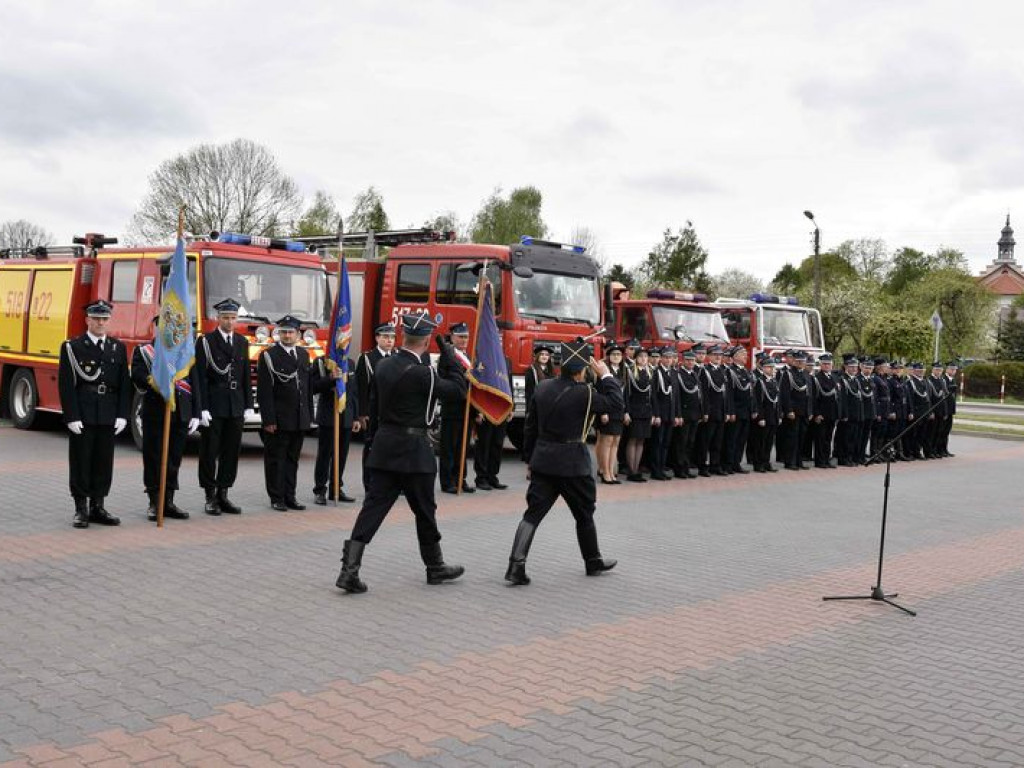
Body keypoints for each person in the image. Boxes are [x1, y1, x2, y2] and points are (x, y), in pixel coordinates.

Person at [335, 311, 468, 594]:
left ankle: (349, 570)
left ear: (404, 337)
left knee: (373, 508)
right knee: (424, 511)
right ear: (427, 340)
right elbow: (458, 390)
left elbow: (374, 404)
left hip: (384, 447)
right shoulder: (423, 373)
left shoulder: (383, 366)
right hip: (414, 452)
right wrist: (450, 357)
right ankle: (435, 566)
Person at [505, 339, 622, 586]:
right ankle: (593, 561)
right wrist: (607, 375)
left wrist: (529, 459)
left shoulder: (543, 387)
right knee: (584, 513)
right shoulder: (587, 393)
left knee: (532, 514)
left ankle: (516, 566)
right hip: (572, 464)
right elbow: (615, 403)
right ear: (582, 371)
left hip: (544, 460)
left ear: (561, 366)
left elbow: (531, 426)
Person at [58, 300, 130, 528]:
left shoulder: (117, 347)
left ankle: (98, 506)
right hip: (84, 411)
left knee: (103, 461)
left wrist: (122, 414)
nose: (100, 322)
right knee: (81, 460)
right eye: (96, 318)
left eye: (104, 319)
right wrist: (71, 416)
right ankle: (80, 509)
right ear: (87, 320)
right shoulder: (73, 346)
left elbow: (124, 384)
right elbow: (66, 384)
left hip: (108, 412)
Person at [131, 317, 202, 521]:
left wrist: (196, 412)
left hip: (180, 412)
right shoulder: (145, 351)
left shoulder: (184, 353)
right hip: (155, 412)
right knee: (154, 457)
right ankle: (154, 502)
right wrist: (160, 381)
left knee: (174, 458)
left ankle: (169, 500)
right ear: (156, 328)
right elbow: (137, 376)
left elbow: (194, 382)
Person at [257, 315, 330, 511]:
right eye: (284, 332)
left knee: (292, 459)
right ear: (278, 334)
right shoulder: (268, 355)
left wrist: (309, 415)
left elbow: (307, 387)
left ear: (298, 334)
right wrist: (269, 419)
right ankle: (276, 497)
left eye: (291, 332)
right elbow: (265, 392)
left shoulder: (303, 354)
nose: (287, 335)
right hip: (279, 418)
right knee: (276, 459)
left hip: (299, 418)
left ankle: (290, 495)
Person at [194, 298, 253, 516]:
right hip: (214, 403)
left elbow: (246, 374)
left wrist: (248, 404)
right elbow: (200, 377)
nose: (230, 322)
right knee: (210, 451)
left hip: (235, 404)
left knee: (231, 451)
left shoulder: (241, 342)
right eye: (226, 318)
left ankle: (224, 492)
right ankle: (209, 495)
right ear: (217, 318)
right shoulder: (206, 342)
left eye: (233, 318)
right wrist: (202, 408)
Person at [354, 322, 396, 491]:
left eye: (392, 337)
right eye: (385, 337)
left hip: (392, 413)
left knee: (391, 449)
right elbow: (362, 388)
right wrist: (362, 414)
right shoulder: (367, 358)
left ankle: (388, 483)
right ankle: (369, 483)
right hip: (373, 413)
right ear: (377, 338)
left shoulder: (396, 357)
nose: (389, 340)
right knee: (372, 449)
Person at [313, 355, 359, 505]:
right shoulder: (321, 362)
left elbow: (353, 392)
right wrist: (331, 378)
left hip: (346, 416)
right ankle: (320, 490)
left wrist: (356, 417)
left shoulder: (349, 362)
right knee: (325, 455)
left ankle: (336, 489)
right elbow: (313, 387)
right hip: (328, 416)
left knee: (341, 456)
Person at [438, 322, 475, 494]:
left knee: (463, 447)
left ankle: (461, 477)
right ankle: (447, 481)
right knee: (449, 447)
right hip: (452, 408)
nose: (464, 340)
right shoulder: (448, 355)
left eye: (466, 336)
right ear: (452, 337)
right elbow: (443, 380)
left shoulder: (470, 357)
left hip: (467, 409)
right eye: (460, 336)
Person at [594, 344, 626, 484]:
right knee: (606, 441)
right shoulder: (603, 371)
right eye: (613, 354)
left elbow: (627, 394)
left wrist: (626, 412)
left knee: (615, 442)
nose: (616, 357)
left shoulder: (624, 371)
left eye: (619, 354)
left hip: (619, 411)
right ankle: (605, 472)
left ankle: (612, 472)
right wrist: (603, 411)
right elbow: (600, 392)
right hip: (607, 410)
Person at [696, 345, 729, 476]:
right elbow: (703, 394)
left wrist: (726, 411)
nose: (718, 357)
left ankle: (715, 465)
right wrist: (704, 412)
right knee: (705, 441)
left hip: (720, 411)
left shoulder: (722, 370)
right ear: (709, 356)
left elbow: (725, 394)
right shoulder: (704, 371)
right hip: (709, 411)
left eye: (720, 355)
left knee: (717, 441)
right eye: (715, 355)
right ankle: (702, 466)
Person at [670, 347, 703, 479]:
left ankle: (686, 466)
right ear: (683, 361)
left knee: (690, 442)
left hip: (694, 413)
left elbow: (699, 395)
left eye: (692, 360)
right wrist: (678, 415)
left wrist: (701, 412)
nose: (690, 363)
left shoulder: (694, 374)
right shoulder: (678, 374)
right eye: (688, 360)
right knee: (681, 442)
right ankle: (679, 468)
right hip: (684, 412)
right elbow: (677, 397)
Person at [622, 347, 653, 482]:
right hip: (634, 411)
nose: (643, 359)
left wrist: (653, 413)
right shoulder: (630, 372)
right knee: (633, 440)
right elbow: (626, 395)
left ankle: (637, 468)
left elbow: (652, 396)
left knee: (641, 440)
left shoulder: (650, 372)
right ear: (635, 358)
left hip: (646, 411)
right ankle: (631, 471)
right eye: (640, 357)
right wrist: (626, 412)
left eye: (645, 357)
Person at [778, 350, 812, 470]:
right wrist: (789, 410)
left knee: (802, 437)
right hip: (794, 411)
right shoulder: (788, 374)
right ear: (793, 361)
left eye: (802, 361)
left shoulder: (806, 374)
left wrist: (810, 411)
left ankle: (798, 460)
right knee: (792, 437)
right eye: (798, 361)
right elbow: (785, 394)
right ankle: (790, 461)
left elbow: (810, 394)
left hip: (804, 411)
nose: (800, 363)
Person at [649, 346, 678, 480]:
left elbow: (676, 396)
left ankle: (662, 467)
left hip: (670, 414)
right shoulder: (656, 373)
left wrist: (677, 415)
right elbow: (653, 395)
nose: (668, 360)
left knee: (666, 443)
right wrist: (656, 414)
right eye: (666, 357)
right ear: (661, 358)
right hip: (660, 414)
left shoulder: (673, 373)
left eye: (670, 357)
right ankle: (655, 470)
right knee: (658, 443)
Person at [723, 346, 754, 474]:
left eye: (745, 354)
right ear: (734, 357)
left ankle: (737, 463)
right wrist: (731, 411)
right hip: (736, 410)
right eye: (742, 354)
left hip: (746, 411)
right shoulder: (730, 372)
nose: (745, 356)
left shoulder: (746, 372)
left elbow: (751, 393)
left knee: (741, 440)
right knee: (731, 439)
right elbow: (729, 394)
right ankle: (728, 464)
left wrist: (753, 409)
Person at [750, 354, 781, 472]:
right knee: (761, 441)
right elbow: (757, 401)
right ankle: (758, 463)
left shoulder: (774, 382)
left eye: (773, 367)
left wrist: (778, 415)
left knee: (769, 442)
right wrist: (760, 417)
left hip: (773, 416)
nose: (771, 369)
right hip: (764, 416)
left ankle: (766, 462)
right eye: (768, 367)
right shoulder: (759, 382)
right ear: (763, 368)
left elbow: (777, 401)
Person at [809, 352, 840, 469]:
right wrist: (817, 414)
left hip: (832, 413)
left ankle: (826, 459)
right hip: (821, 413)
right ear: (821, 365)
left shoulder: (834, 378)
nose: (827, 366)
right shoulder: (816, 378)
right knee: (820, 438)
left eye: (829, 364)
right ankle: (820, 461)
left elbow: (837, 397)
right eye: (825, 364)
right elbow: (813, 398)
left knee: (828, 438)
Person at [835, 354, 863, 466]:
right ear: (846, 367)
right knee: (845, 438)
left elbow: (859, 399)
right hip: (847, 415)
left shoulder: (855, 380)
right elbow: (842, 399)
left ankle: (850, 457)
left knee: (853, 437)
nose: (854, 369)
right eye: (851, 367)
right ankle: (843, 458)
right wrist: (844, 414)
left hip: (856, 414)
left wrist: (860, 414)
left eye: (855, 367)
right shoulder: (842, 380)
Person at [903, 361, 931, 459]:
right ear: (914, 371)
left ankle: (918, 451)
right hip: (916, 411)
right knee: (913, 433)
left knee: (922, 433)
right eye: (918, 370)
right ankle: (911, 452)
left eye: (922, 370)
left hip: (925, 411)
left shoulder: (925, 381)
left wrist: (930, 411)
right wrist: (911, 412)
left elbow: (928, 398)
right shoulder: (910, 382)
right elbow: (909, 398)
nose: (921, 372)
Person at [940, 361, 959, 457]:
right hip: (944, 410)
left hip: (950, 410)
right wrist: (945, 411)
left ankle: (944, 449)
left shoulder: (953, 380)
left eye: (955, 369)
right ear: (947, 369)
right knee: (941, 431)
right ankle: (938, 449)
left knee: (947, 431)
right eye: (952, 369)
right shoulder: (943, 380)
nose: (953, 371)